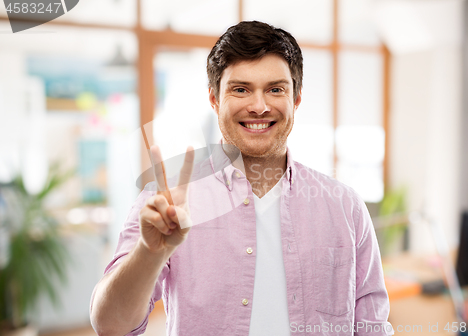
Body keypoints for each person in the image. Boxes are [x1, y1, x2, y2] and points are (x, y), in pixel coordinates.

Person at [90, 21, 393, 336]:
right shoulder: (166, 203)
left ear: (296, 99)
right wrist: (149, 252)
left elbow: (372, 327)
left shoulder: (345, 206)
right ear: (214, 99)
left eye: (275, 89)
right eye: (240, 89)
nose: (259, 107)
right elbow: (110, 325)